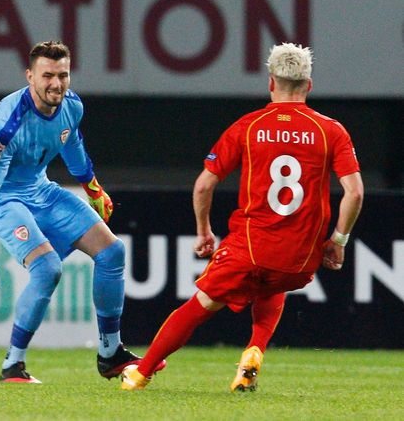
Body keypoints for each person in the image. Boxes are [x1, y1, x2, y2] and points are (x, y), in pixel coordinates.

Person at [120, 43, 363, 391]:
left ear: (270, 83)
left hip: (250, 246)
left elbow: (204, 186)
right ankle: (254, 352)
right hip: (298, 258)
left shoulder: (249, 126)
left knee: (200, 304)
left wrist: (203, 230)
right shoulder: (332, 131)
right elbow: (354, 192)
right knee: (273, 281)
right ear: (308, 86)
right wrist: (338, 241)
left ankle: (140, 373)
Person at [0, 40, 165, 383]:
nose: (56, 83)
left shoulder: (72, 105)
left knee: (112, 251)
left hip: (38, 188)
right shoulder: (9, 122)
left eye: (63, 75)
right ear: (30, 77)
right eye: (47, 76)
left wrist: (93, 187)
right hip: (1, 197)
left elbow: (71, 145)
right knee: (47, 268)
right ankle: (13, 365)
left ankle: (110, 353)